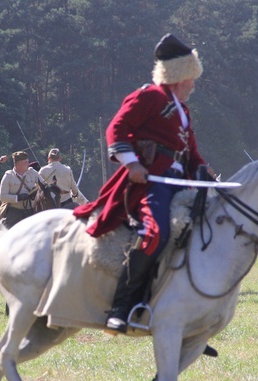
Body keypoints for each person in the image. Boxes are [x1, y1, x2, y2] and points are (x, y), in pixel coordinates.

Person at [74, 33, 216, 334]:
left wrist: (205, 173)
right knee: (156, 233)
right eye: (191, 78)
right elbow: (118, 128)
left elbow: (191, 154)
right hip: (152, 184)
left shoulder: (183, 111)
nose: (193, 84)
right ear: (180, 75)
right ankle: (121, 307)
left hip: (180, 184)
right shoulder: (148, 96)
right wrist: (133, 163)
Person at [0, 151, 44, 228]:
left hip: (32, 210)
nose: (28, 164)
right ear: (18, 164)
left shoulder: (32, 172)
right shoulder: (8, 176)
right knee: (7, 232)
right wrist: (18, 198)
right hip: (15, 211)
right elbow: (2, 196)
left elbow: (44, 185)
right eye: (26, 162)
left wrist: (36, 193)